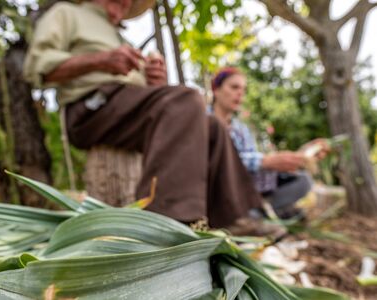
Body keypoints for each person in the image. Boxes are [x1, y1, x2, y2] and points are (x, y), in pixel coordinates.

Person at [23, 0, 265, 228]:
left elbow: (148, 102)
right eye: (116, 1)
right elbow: (38, 68)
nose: (121, 9)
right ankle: (166, 220)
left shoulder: (118, 35)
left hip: (124, 110)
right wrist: (100, 60)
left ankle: (232, 220)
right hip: (89, 109)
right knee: (186, 99)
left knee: (212, 126)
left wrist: (152, 83)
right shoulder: (67, 14)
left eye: (127, 5)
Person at [211, 67, 326, 219]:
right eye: (234, 87)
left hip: (250, 190)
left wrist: (296, 158)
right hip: (221, 192)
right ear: (216, 89)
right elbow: (217, 162)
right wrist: (265, 161)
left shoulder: (242, 129)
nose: (240, 93)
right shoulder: (204, 122)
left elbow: (254, 163)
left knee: (303, 180)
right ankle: (261, 214)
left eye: (243, 90)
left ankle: (258, 212)